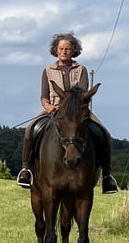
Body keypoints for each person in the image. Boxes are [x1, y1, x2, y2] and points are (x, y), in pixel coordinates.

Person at [16, 32, 119, 194]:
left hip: (78, 111)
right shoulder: (48, 70)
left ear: (73, 51)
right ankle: (25, 170)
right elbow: (44, 95)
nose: (64, 51)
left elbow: (83, 92)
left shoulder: (81, 69)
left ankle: (107, 176)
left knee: (104, 133)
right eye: (61, 48)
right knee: (30, 129)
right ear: (56, 50)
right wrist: (48, 106)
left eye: (67, 49)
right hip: (54, 109)